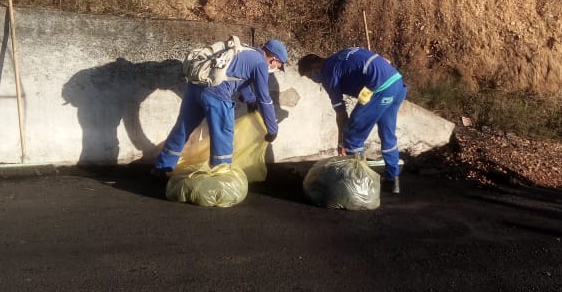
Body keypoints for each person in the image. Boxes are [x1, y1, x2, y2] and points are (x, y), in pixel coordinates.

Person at [152, 39, 287, 175]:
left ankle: (162, 166)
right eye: (279, 65)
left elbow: (238, 77)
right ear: (274, 59)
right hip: (216, 94)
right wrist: (272, 129)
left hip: (195, 87)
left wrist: (249, 100)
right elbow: (264, 100)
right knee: (223, 136)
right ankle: (220, 178)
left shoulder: (245, 51)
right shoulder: (260, 63)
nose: (277, 68)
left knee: (182, 128)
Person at [298, 47, 407, 193]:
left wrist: (342, 141)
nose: (313, 80)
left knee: (352, 134)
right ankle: (393, 181)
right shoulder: (343, 55)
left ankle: (359, 184)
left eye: (310, 76)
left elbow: (341, 114)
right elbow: (382, 61)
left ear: (315, 67)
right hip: (396, 83)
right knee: (388, 134)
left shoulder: (329, 75)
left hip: (378, 88)